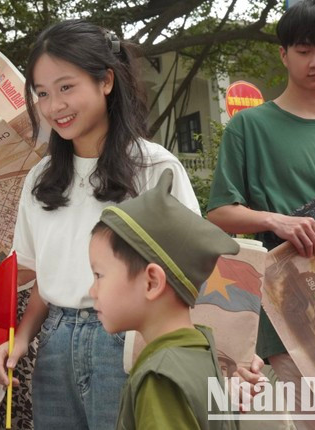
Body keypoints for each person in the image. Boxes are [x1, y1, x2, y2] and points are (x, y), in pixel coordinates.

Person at [0, 19, 201, 429]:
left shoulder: (154, 168)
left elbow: (193, 274)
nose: (54, 106)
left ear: (105, 81)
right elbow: (45, 284)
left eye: (67, 87)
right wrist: (17, 342)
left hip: (127, 341)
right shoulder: (41, 179)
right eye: (43, 93)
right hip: (54, 348)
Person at [207, 0, 315, 427]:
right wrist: (273, 219)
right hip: (291, 315)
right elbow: (219, 212)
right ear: (283, 54)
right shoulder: (250, 127)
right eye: (304, 51)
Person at [89, 169, 239, 429]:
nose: (92, 291)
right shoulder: (201, 350)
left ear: (152, 282)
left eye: (99, 275)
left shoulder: (161, 378)